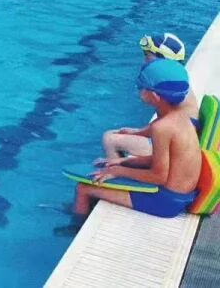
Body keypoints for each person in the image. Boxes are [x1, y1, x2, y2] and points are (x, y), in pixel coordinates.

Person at [75, 59, 200, 219]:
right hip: (181, 195)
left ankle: (76, 224)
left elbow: (158, 176)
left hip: (166, 201)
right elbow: (170, 161)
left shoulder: (162, 127)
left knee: (83, 188)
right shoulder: (182, 117)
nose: (139, 91)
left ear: (154, 96)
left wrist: (119, 171)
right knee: (105, 177)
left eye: (141, 87)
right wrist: (122, 162)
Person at [97, 34, 195, 162]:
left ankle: (114, 167)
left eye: (147, 56)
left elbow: (169, 128)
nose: (144, 61)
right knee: (115, 134)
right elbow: (165, 120)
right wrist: (137, 132)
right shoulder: (176, 86)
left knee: (109, 139)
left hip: (176, 148)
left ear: (162, 60)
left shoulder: (169, 93)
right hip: (176, 141)